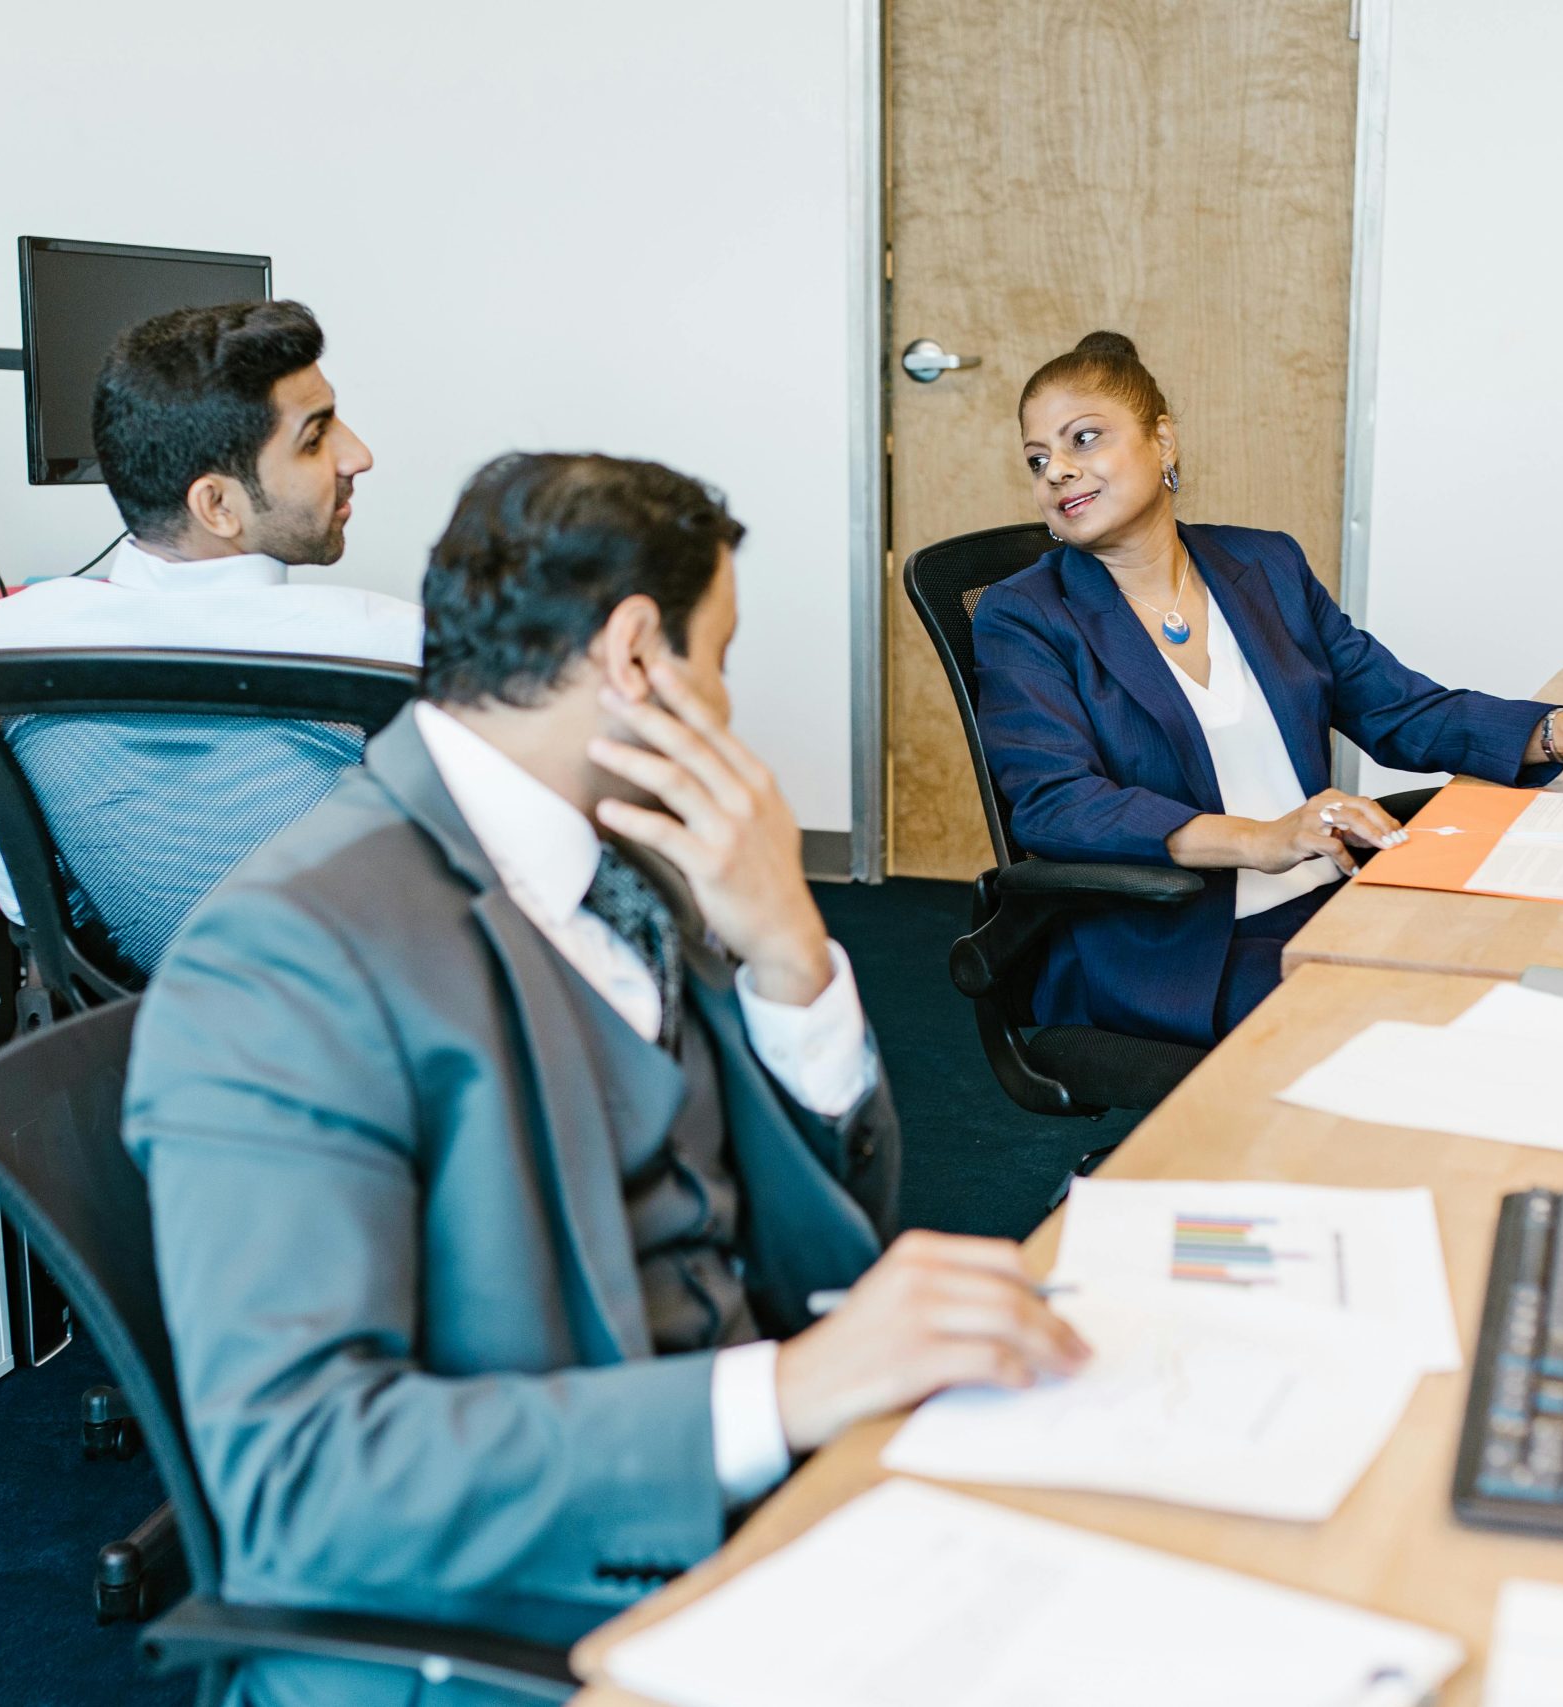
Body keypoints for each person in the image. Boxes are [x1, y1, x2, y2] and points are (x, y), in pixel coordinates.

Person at [123, 452, 1089, 1705]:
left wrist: (791, 955)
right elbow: (304, 1487)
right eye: (720, 661)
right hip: (541, 1620)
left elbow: (817, 1239)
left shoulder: (628, 853)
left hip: (770, 1505)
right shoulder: (288, 958)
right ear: (637, 656)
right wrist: (786, 1393)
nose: (727, 712)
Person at [973, 331, 1563, 1049]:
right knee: (1424, 1030)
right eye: (1038, 459)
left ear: (1162, 440)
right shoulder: (1026, 615)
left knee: (1540, 970)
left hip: (1332, 895)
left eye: (1083, 439)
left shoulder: (1263, 567)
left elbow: (1398, 707)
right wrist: (1261, 838)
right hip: (1176, 947)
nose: (1057, 473)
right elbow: (1058, 803)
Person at [0, 299, 422, 923]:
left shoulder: (15, 638)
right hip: (355, 1009)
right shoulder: (391, 645)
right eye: (316, 439)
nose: (358, 455)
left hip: (149, 1011)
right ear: (217, 506)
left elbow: (26, 907)